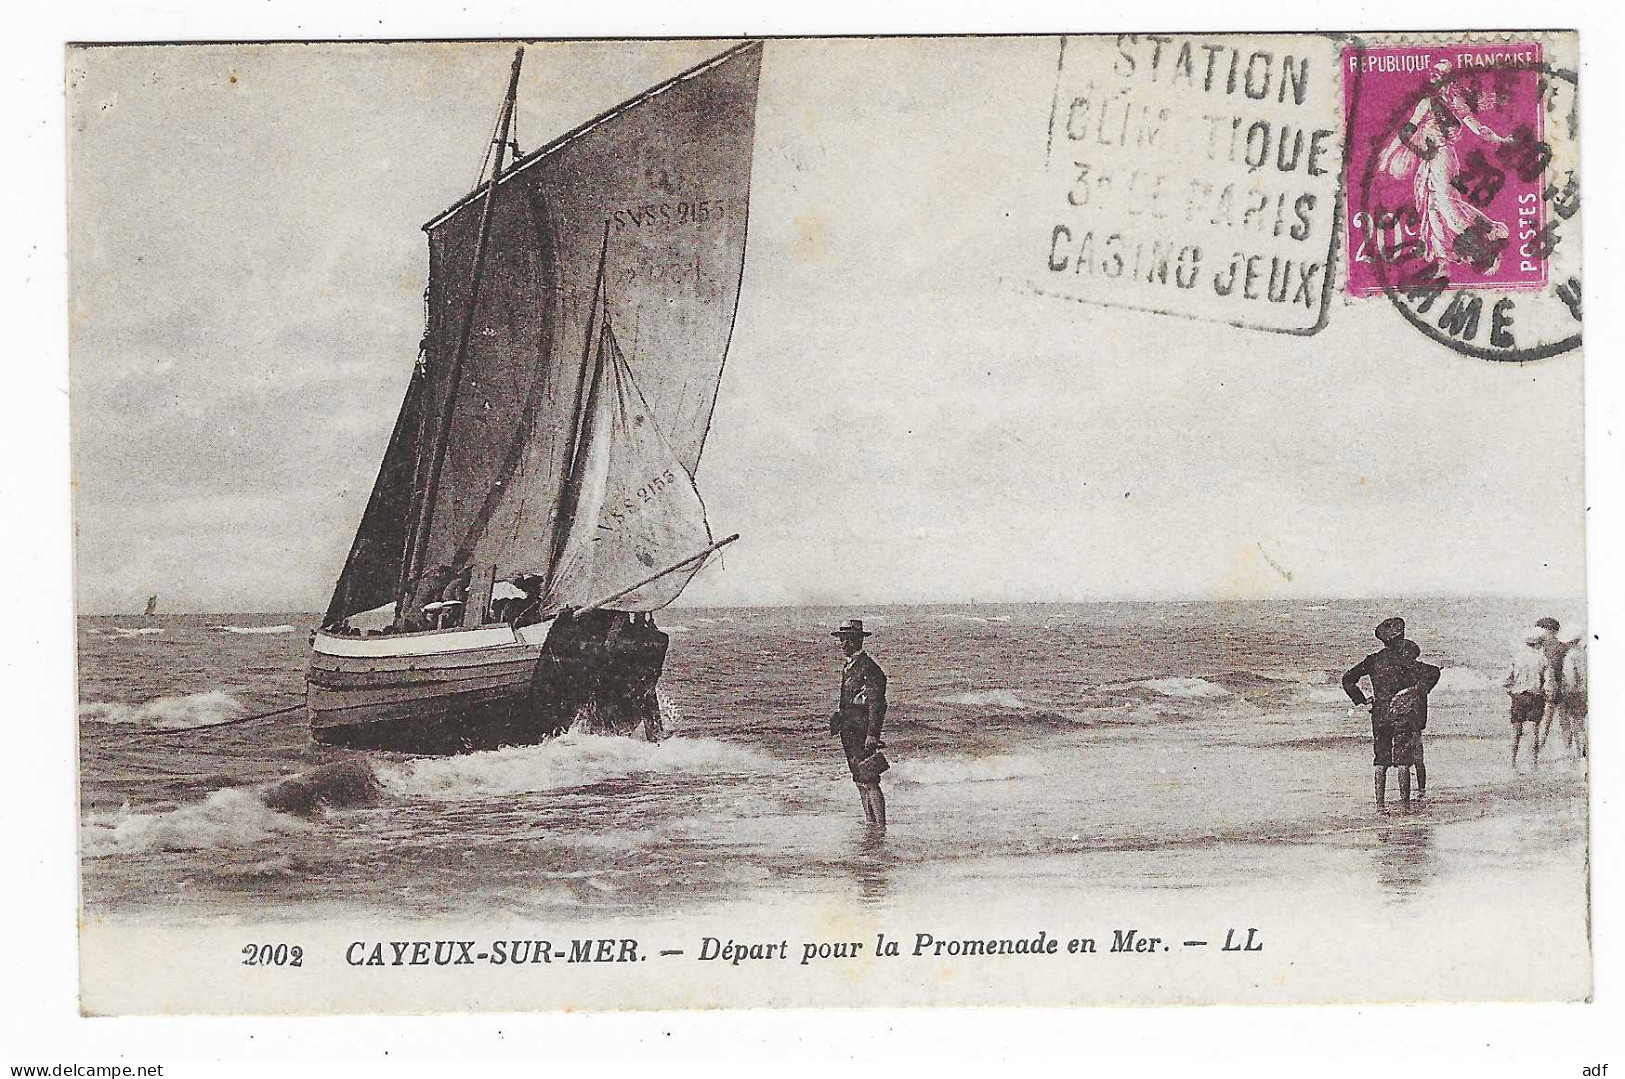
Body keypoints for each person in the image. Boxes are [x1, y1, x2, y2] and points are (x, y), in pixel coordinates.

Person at [1343, 616, 1431, 807]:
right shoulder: (1408, 660)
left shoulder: (1373, 660)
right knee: (1403, 761)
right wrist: (1413, 692)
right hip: (1402, 714)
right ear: (1401, 637)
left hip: (1380, 713)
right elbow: (1433, 673)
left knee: (1381, 760)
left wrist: (1363, 701)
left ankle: (1380, 805)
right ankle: (1405, 804)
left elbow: (1347, 679)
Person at [829, 618, 889, 829]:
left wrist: (873, 734)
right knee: (859, 780)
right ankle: (871, 824)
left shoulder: (870, 668)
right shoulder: (850, 666)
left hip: (863, 732)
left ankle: (879, 826)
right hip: (850, 731)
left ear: (858, 641)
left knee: (870, 780)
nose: (844, 644)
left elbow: (877, 705)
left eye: (848, 639)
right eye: (842, 639)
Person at [1387, 640, 1442, 802]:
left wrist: (1418, 688)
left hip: (1409, 717)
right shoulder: (1417, 669)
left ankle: (1418, 791)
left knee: (1413, 756)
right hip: (1411, 717)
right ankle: (1420, 789)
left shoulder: (1411, 669)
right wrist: (1421, 688)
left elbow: (1434, 672)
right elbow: (1435, 672)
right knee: (1417, 756)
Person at [1505, 629, 1557, 769]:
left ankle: (1512, 762)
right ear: (1539, 643)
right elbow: (1549, 682)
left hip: (1518, 696)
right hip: (1535, 696)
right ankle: (1533, 763)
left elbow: (1506, 679)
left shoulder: (1517, 658)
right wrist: (1549, 696)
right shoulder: (1543, 659)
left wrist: (1510, 691)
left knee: (1516, 730)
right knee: (1533, 730)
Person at [1557, 635, 1588, 759]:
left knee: (1569, 722)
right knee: (1581, 723)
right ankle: (1583, 751)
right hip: (1584, 691)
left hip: (1574, 692)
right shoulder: (1584, 653)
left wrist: (1566, 691)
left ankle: (1574, 752)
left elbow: (1571, 678)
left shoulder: (1570, 656)